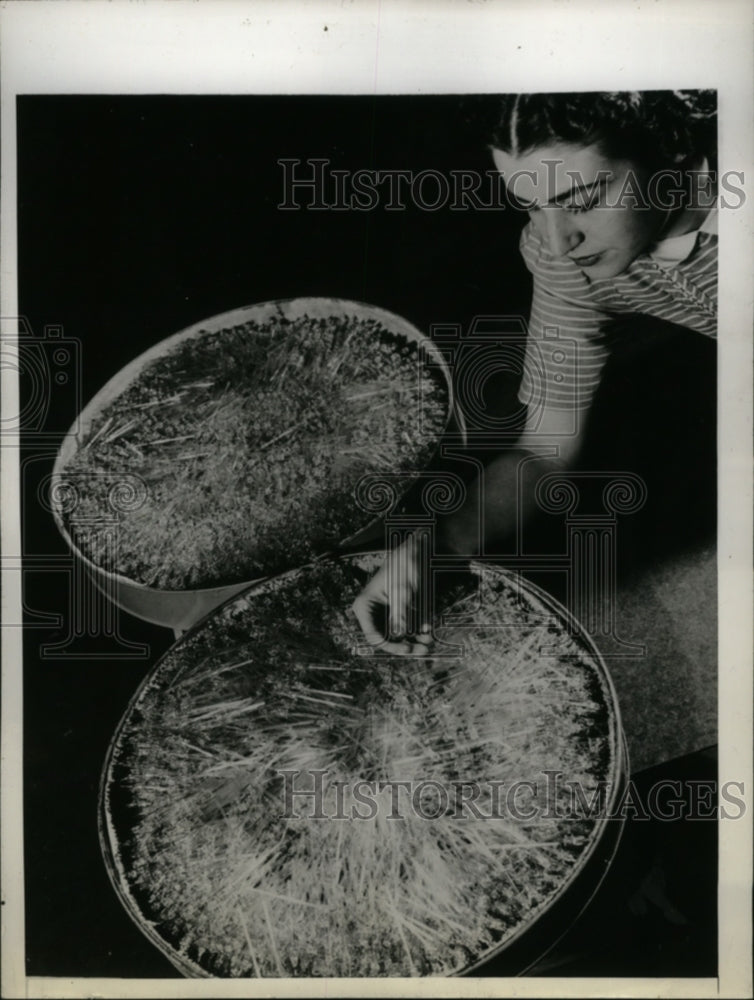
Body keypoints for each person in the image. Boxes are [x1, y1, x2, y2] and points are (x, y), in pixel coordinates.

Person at [352, 90, 718, 654]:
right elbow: (546, 446)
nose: (557, 239)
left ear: (675, 155)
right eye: (531, 206)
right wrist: (437, 545)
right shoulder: (564, 261)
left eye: (583, 198)